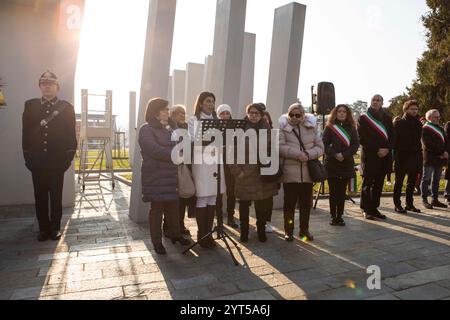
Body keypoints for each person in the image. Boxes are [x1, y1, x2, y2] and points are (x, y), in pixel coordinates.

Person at [22, 71, 77, 242]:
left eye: (51, 84)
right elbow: (26, 133)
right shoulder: (30, 106)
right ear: (40, 86)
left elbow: (71, 135)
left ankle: (55, 228)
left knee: (55, 196)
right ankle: (43, 229)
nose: (47, 86)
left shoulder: (66, 108)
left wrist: (67, 159)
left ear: (57, 87)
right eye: (44, 83)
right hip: (37, 160)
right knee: (39, 196)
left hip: (57, 161)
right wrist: (28, 156)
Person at [139, 98, 191, 255]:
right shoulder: (146, 129)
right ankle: (157, 242)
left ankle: (175, 235)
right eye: (165, 109)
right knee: (157, 209)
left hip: (171, 174)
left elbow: (181, 146)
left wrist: (181, 151)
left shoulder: (172, 128)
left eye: (168, 109)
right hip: (155, 175)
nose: (168, 112)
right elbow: (152, 149)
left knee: (173, 207)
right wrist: (174, 154)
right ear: (155, 112)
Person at [230, 103, 279, 243]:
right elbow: (230, 152)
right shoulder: (239, 129)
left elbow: (274, 151)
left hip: (262, 174)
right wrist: (237, 171)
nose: (253, 115)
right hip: (244, 175)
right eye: (251, 113)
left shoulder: (268, 130)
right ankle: (244, 232)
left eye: (256, 113)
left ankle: (261, 231)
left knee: (261, 206)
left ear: (262, 115)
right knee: (244, 205)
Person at [279, 103, 324, 242]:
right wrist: (297, 154)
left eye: (297, 115)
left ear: (303, 116)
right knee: (289, 205)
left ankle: (304, 230)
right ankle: (289, 230)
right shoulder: (283, 129)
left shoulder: (311, 128)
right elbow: (280, 147)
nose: (293, 117)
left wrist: (308, 154)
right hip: (290, 174)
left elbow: (320, 147)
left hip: (307, 175)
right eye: (291, 114)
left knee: (305, 206)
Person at [188, 92, 225, 248]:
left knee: (213, 197)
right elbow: (191, 140)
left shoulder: (217, 121)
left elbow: (225, 140)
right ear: (201, 103)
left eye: (213, 101)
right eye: (208, 101)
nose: (211, 104)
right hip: (202, 162)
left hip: (216, 161)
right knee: (203, 196)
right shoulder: (193, 120)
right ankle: (202, 234)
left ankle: (209, 234)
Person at [358, 95, 394, 220]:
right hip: (370, 155)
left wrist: (387, 149)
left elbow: (392, 136)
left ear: (382, 103)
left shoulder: (387, 118)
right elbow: (362, 137)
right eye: (373, 99)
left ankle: (374, 208)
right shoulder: (363, 118)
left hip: (384, 156)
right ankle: (366, 209)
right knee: (367, 183)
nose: (375, 102)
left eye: (378, 100)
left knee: (379, 183)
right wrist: (377, 149)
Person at [322, 104, 359, 226]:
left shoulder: (352, 128)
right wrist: (335, 154)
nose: (342, 113)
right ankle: (333, 216)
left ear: (347, 114)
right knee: (333, 192)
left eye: (344, 111)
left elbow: (355, 145)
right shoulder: (330, 127)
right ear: (335, 113)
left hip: (346, 163)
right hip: (332, 164)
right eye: (339, 111)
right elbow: (324, 144)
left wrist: (344, 155)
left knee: (342, 192)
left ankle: (340, 216)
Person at [163, 105, 195, 236]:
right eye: (179, 113)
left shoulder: (187, 128)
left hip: (185, 167)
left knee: (182, 200)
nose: (182, 115)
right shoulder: (168, 128)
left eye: (184, 113)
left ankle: (180, 225)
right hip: (172, 168)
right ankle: (167, 226)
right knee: (171, 199)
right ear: (172, 114)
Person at [392, 100, 423, 213]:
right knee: (399, 182)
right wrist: (395, 157)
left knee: (411, 183)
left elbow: (418, 142)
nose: (414, 111)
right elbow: (394, 142)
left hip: (415, 157)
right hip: (402, 157)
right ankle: (397, 204)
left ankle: (409, 204)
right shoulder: (399, 123)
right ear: (406, 110)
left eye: (416, 109)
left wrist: (420, 157)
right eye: (412, 109)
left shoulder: (419, 124)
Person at [216, 104, 238, 229]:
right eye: (222, 114)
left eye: (227, 113)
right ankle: (218, 219)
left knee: (231, 191)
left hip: (230, 163)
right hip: (218, 163)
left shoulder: (235, 127)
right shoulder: (214, 127)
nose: (225, 116)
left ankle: (230, 217)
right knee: (218, 192)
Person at [420, 109, 448, 209]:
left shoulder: (440, 128)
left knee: (436, 180)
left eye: (439, 116)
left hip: (440, 159)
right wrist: (441, 152)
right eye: (436, 117)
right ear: (429, 118)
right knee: (426, 179)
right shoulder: (425, 128)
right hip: (430, 158)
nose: (438, 118)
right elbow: (428, 144)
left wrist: (445, 152)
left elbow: (446, 142)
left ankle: (435, 199)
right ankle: (424, 200)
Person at [262, 111, 276, 234]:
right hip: (257, 169)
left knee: (269, 198)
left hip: (270, 168)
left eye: (267, 120)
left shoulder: (273, 134)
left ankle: (268, 221)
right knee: (260, 199)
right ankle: (260, 221)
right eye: (263, 120)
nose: (265, 122)